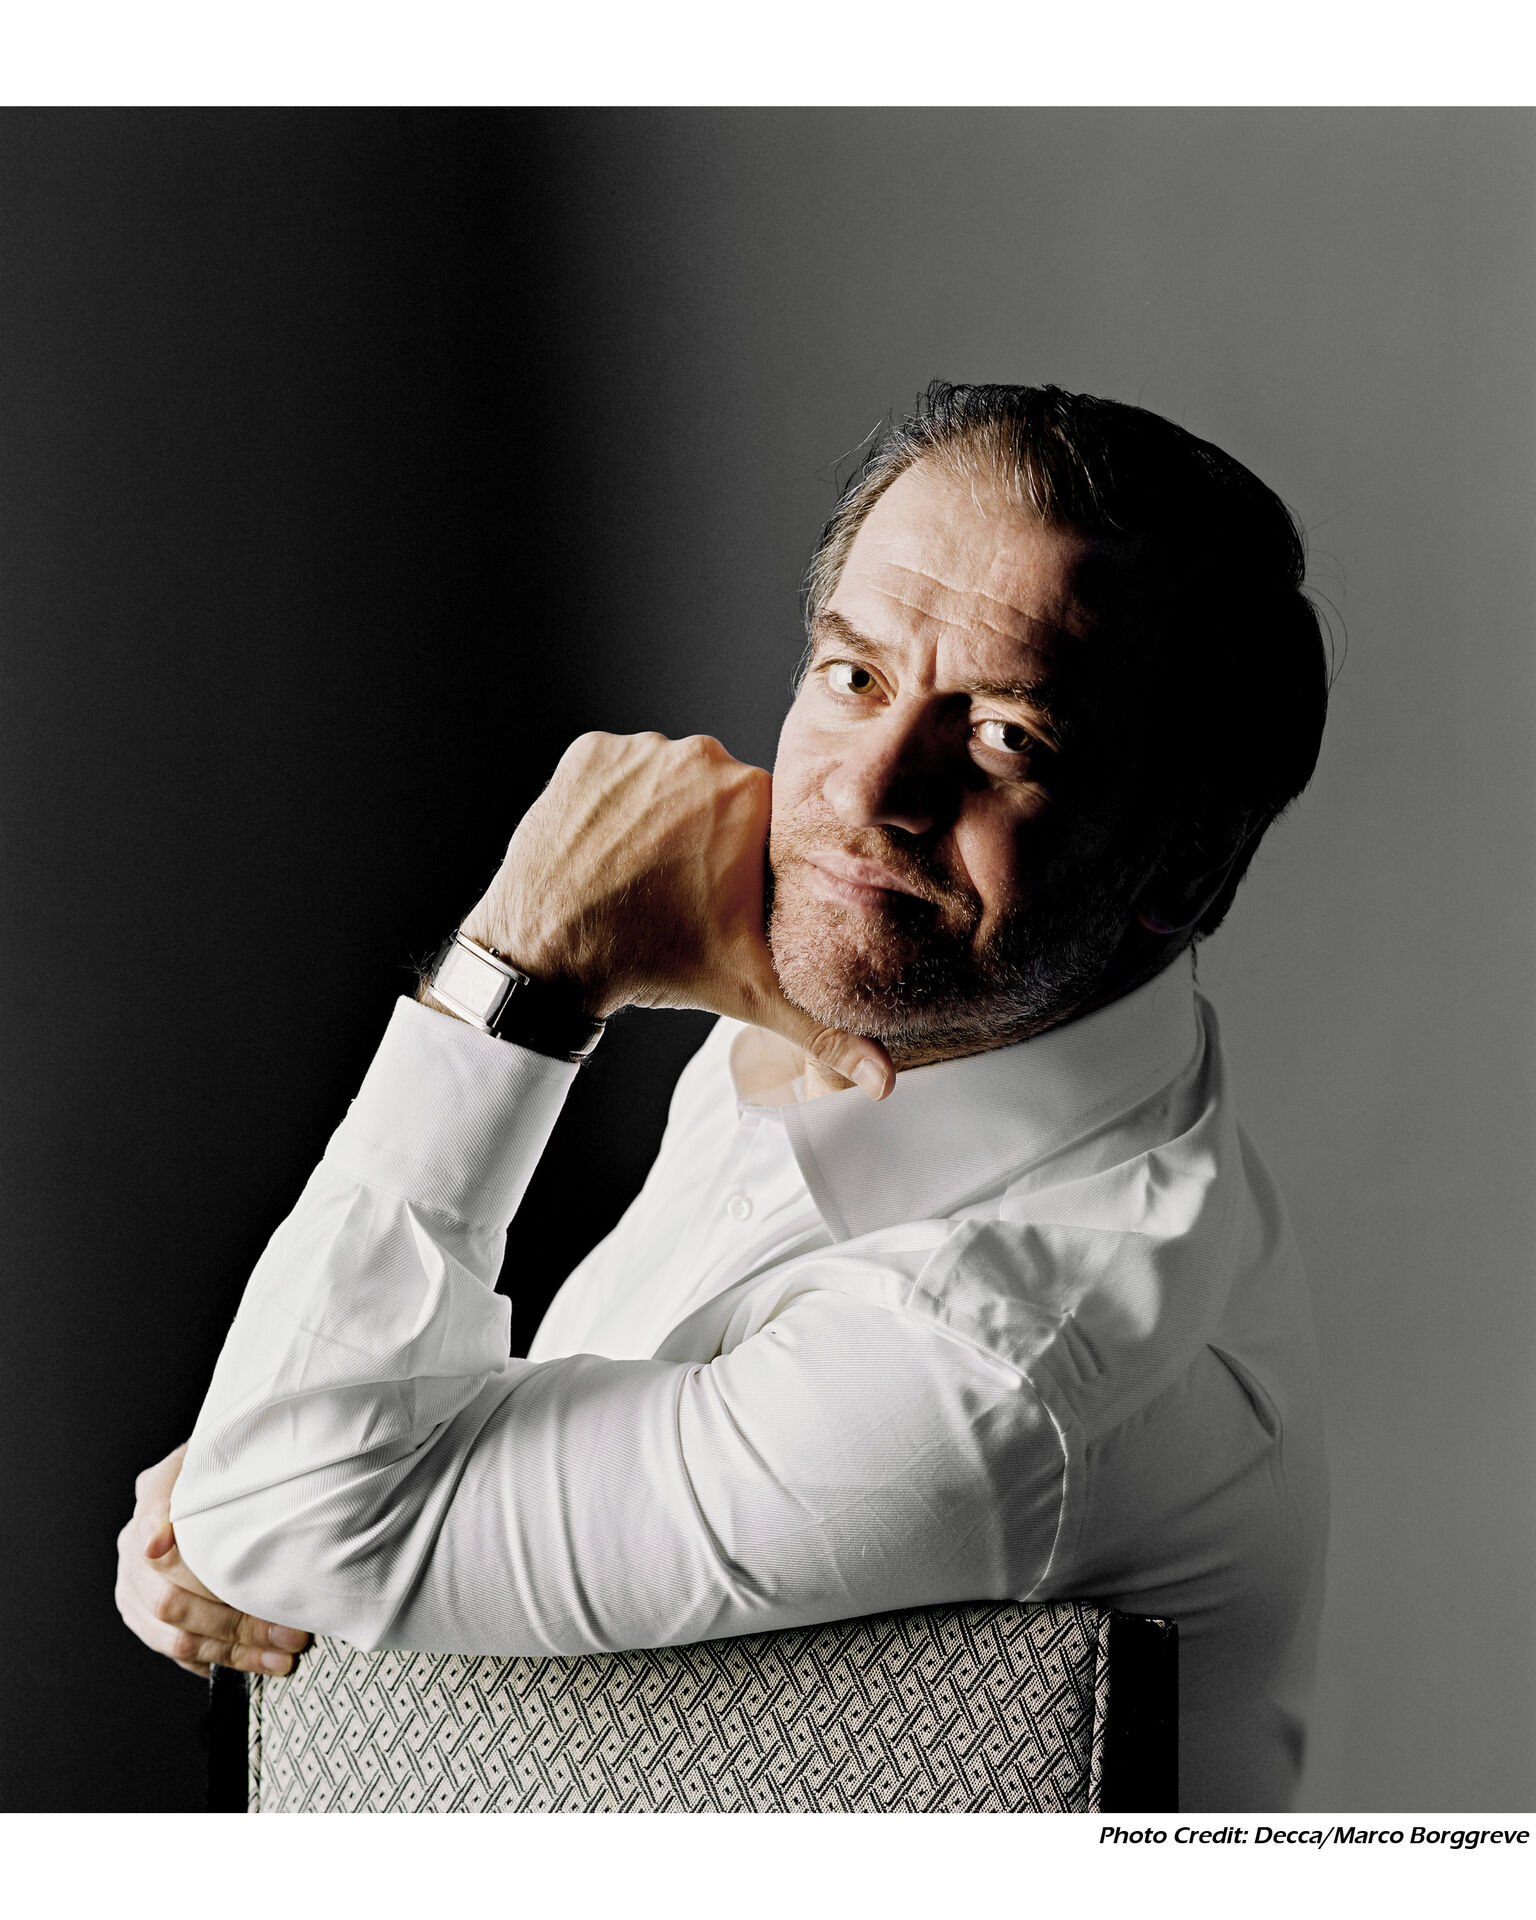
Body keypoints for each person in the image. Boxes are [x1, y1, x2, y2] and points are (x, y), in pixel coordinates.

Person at [115, 382, 1332, 1811]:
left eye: (1009, 737)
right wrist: (278, 1470)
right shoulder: (865, 1018)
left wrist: (521, 969)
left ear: (1184, 868)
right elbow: (318, 1502)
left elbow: (293, 1507)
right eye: (855, 676)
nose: (870, 792)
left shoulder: (1001, 1362)